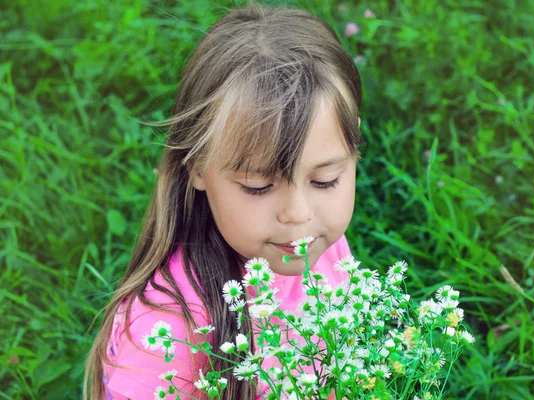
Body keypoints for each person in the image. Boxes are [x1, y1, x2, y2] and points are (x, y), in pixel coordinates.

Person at [84, 1, 364, 399]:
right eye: (258, 186)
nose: (299, 215)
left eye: (325, 180)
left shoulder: (327, 250)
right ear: (197, 165)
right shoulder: (168, 334)